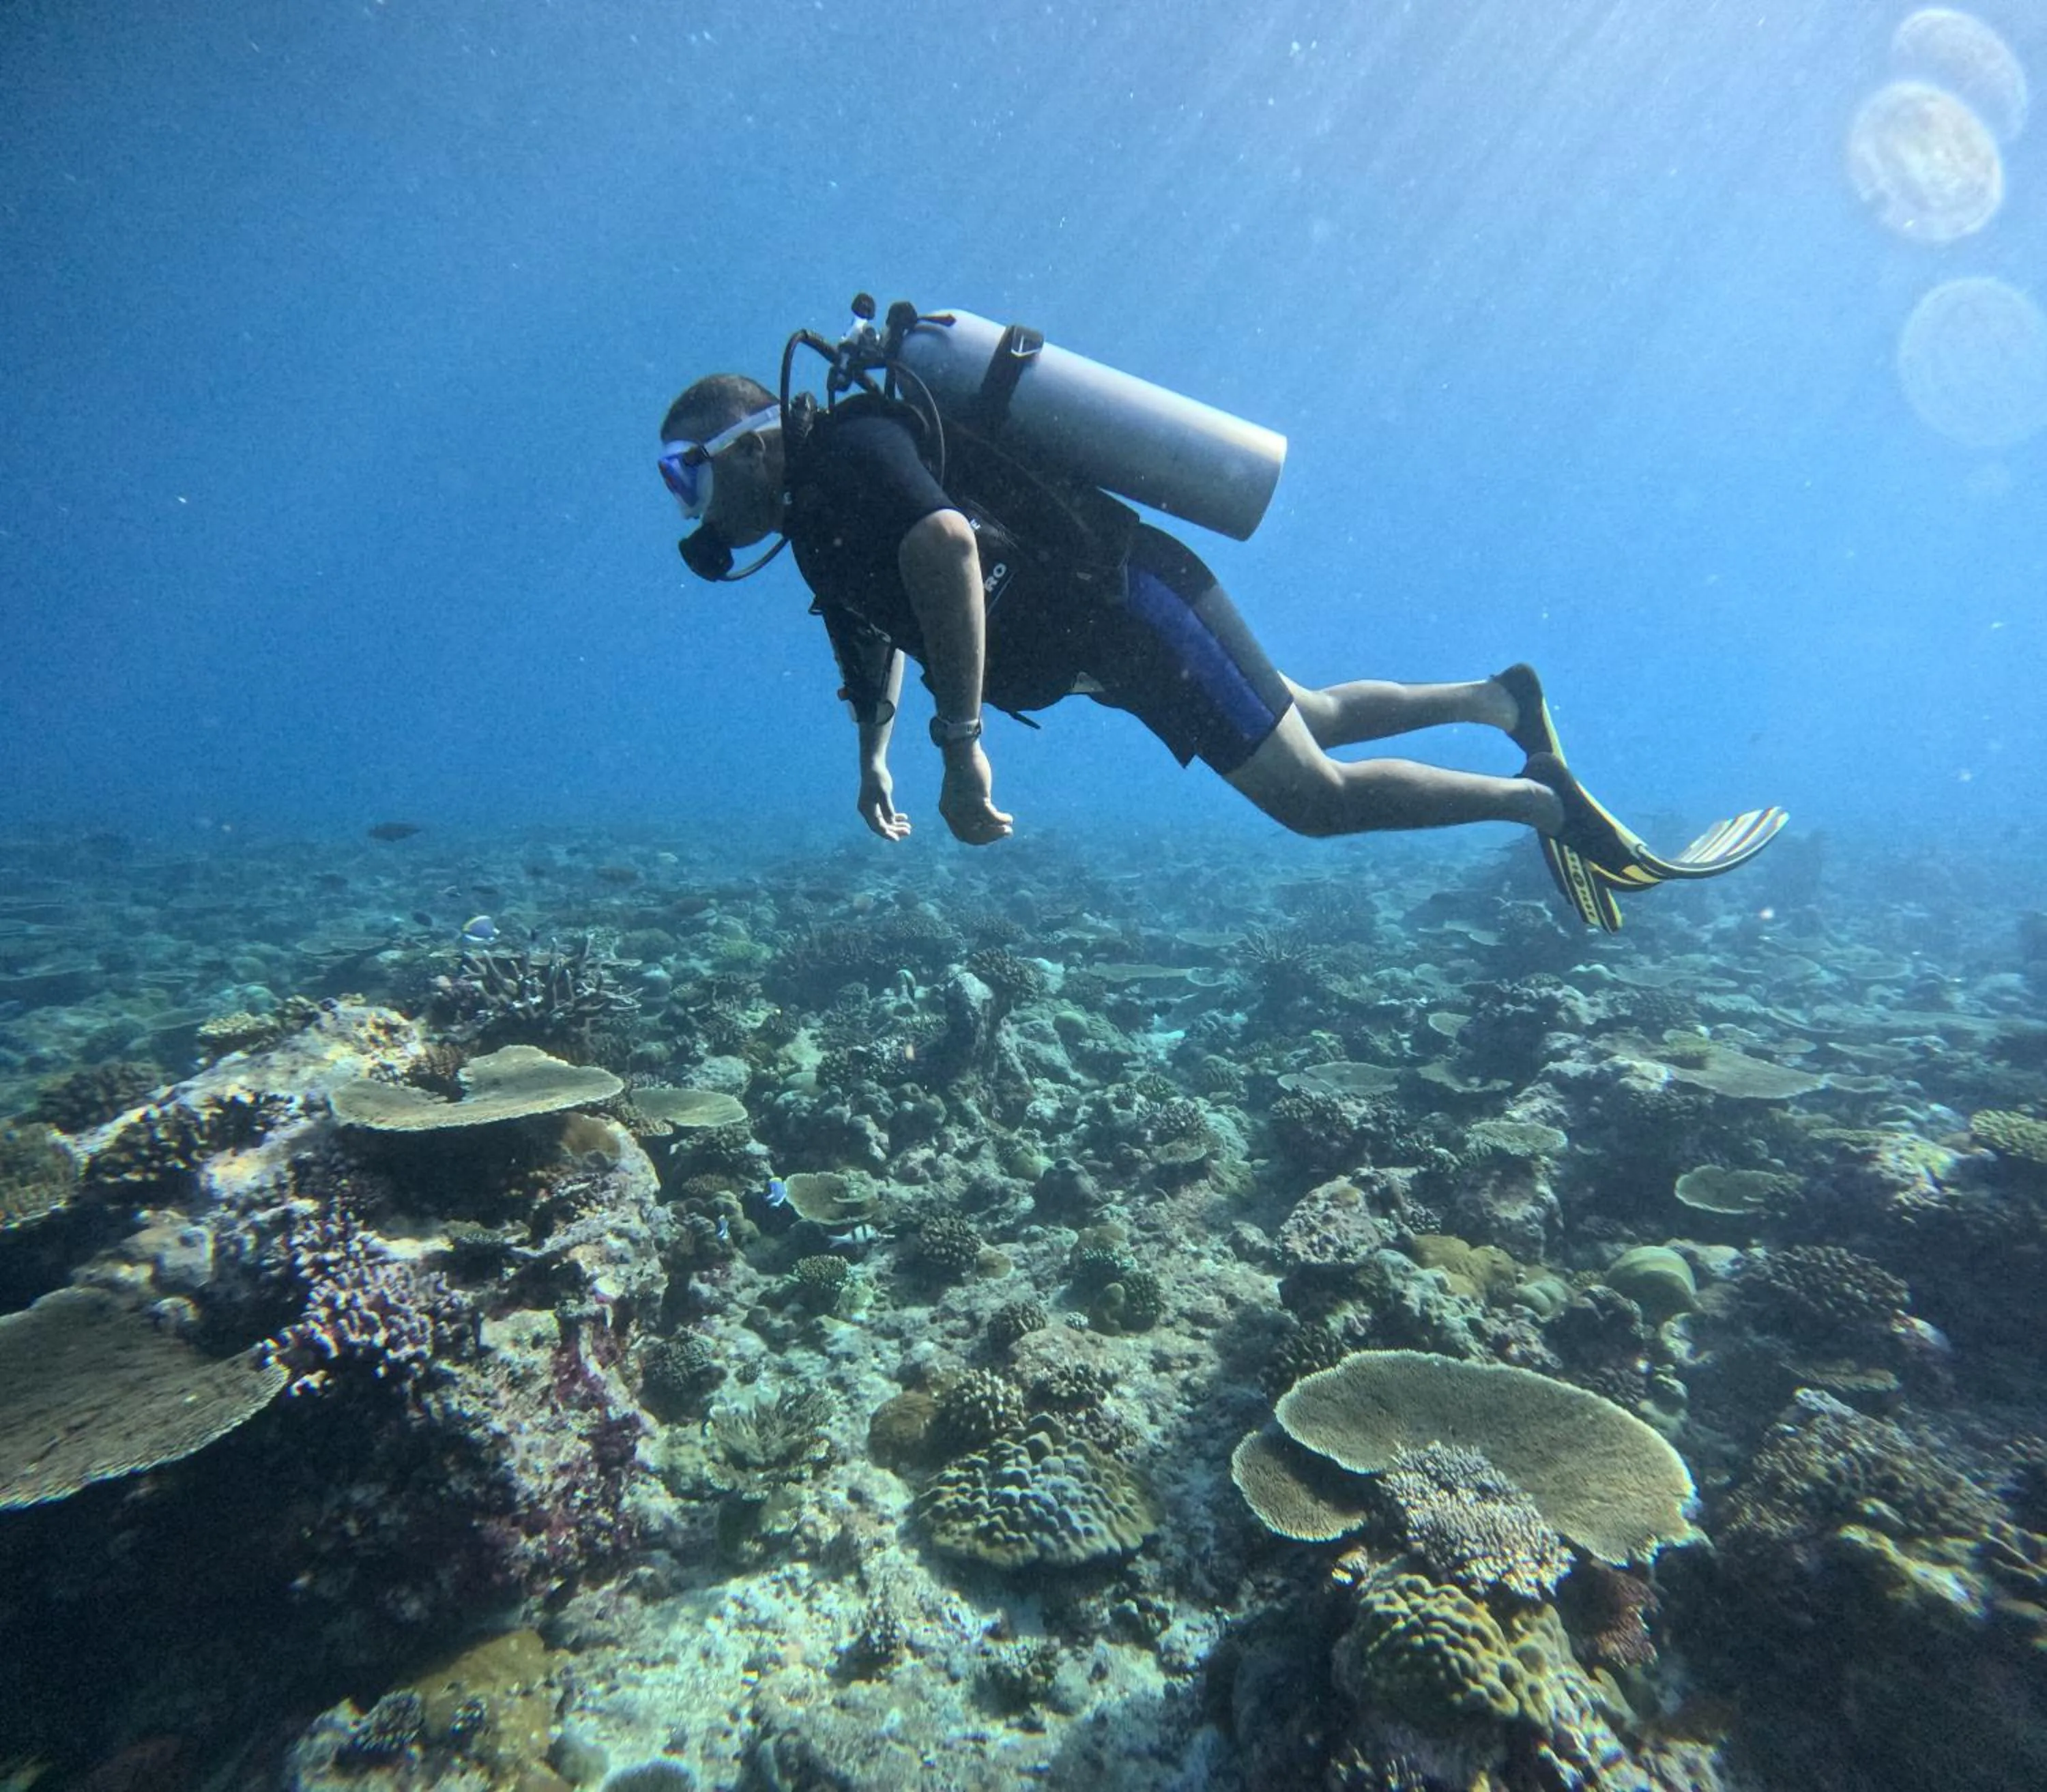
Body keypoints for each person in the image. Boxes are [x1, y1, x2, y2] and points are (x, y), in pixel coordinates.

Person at [656, 371, 1781, 929]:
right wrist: (873, 752)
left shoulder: (847, 449)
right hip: (1125, 615)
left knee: (1317, 798)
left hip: (1129, 610)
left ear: (753, 446)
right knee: (1315, 713)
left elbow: (945, 546)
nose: (692, 504)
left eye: (692, 472)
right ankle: (1498, 699)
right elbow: (873, 620)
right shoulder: (817, 520)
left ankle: (1544, 802)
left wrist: (960, 749)